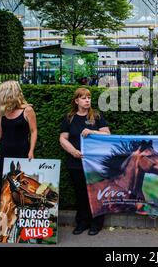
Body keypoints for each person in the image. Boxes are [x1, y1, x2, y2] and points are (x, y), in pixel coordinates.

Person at [59, 88, 110, 236]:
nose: (87, 100)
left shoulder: (97, 116)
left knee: (95, 193)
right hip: (75, 162)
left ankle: (96, 223)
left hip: (95, 163)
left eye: (88, 97)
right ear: (76, 101)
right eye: (83, 98)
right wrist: (73, 151)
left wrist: (92, 131)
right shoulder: (69, 117)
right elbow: (63, 138)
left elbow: (107, 134)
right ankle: (82, 222)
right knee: (81, 194)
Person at [0, 80, 37, 178]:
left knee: (19, 183)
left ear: (9, 94)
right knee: (4, 183)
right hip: (5, 152)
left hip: (22, 152)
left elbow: (33, 131)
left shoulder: (27, 110)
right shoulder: (3, 111)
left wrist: (31, 150)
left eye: (1, 93)